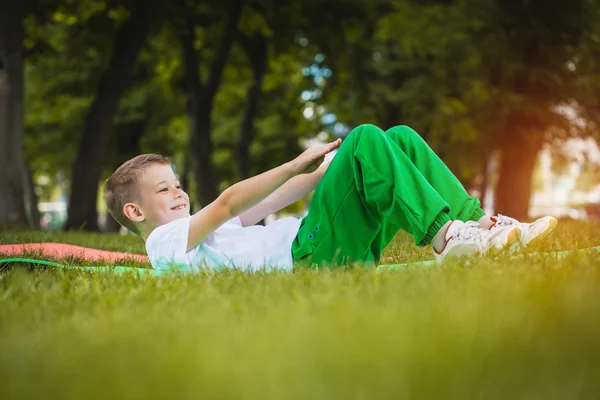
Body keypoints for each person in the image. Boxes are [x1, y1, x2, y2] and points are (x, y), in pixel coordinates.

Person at [103, 124, 557, 273]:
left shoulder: (202, 232)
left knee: (394, 137)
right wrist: (293, 161)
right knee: (365, 136)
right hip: (310, 256)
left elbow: (271, 201)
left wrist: (324, 172)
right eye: (164, 189)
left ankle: (481, 228)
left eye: (177, 182)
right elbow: (228, 203)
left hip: (322, 241)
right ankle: (444, 236)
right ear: (135, 211)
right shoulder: (163, 244)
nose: (179, 191)